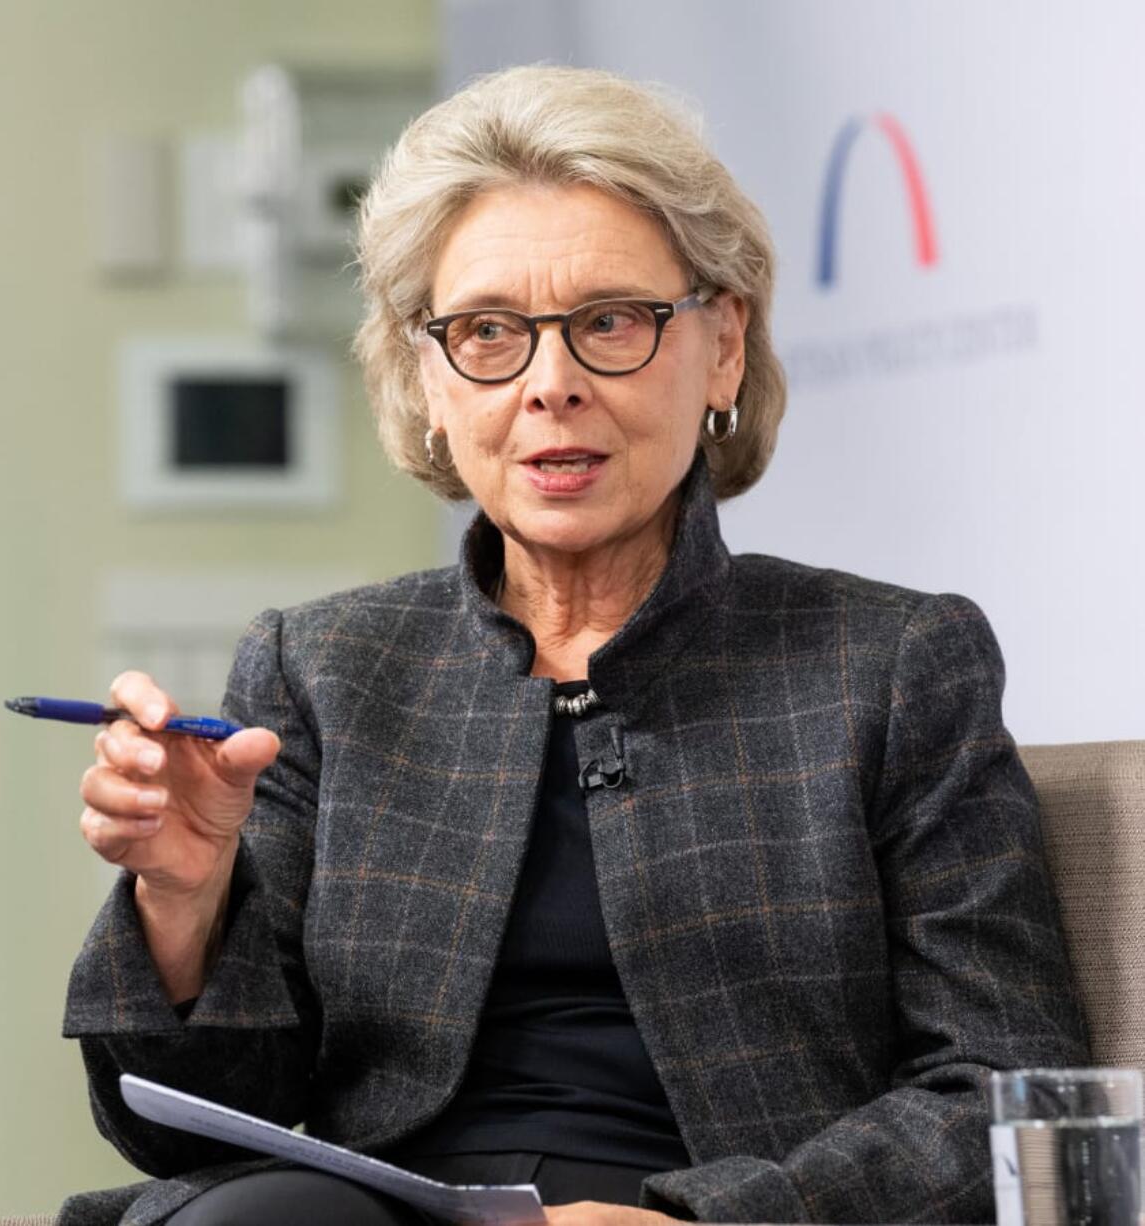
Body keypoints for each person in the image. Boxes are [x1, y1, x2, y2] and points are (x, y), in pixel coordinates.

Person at [60, 65, 1087, 1226]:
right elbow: (176, 1119)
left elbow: (1006, 1096)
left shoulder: (893, 661)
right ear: (427, 379)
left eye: (610, 322)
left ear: (722, 349)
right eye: (488, 332)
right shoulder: (326, 666)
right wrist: (184, 901)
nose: (550, 385)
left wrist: (714, 1221)